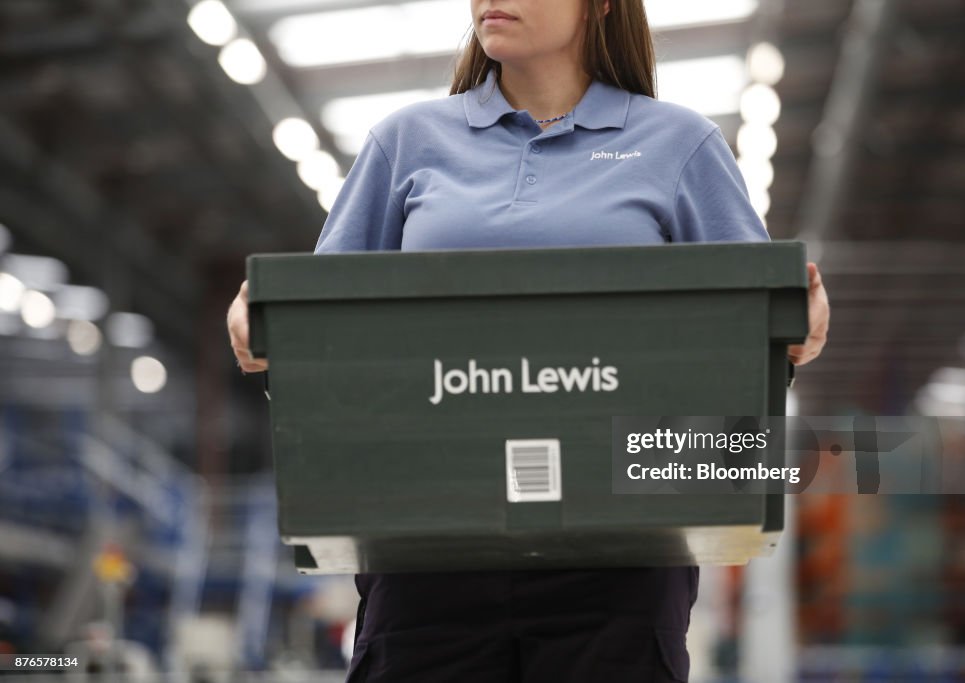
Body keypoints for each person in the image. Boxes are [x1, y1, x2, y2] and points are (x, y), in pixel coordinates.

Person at [227, 1, 830, 680]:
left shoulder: (680, 147)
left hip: (620, 565)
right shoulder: (404, 145)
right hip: (426, 552)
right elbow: (321, 339)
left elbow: (748, 347)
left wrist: (792, 328)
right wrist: (265, 330)